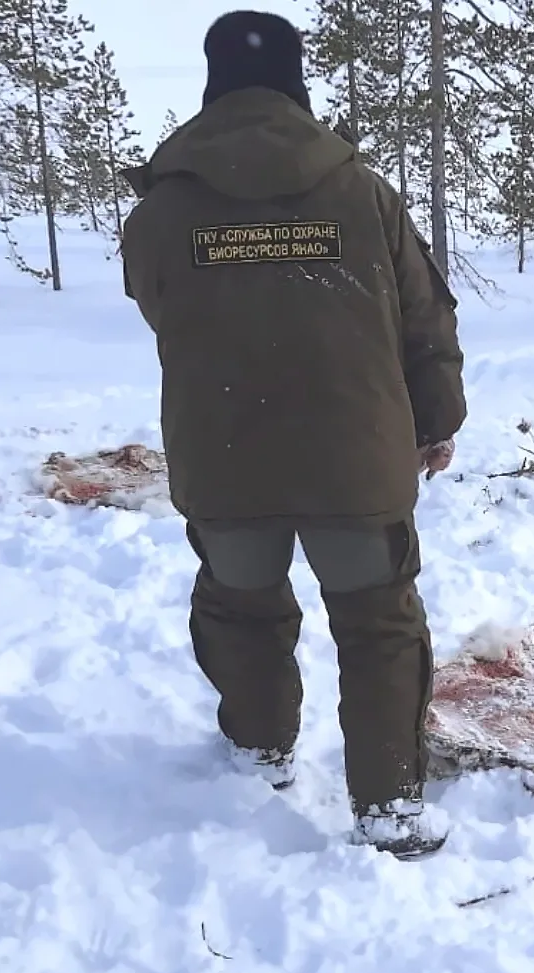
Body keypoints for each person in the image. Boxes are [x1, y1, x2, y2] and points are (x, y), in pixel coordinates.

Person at [119, 9, 466, 859]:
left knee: (242, 611)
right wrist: (437, 419)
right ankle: (389, 807)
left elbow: (155, 302)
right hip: (357, 460)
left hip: (227, 458)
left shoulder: (166, 204)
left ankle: (258, 751)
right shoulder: (361, 190)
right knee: (379, 625)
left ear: (213, 83)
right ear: (295, 82)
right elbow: (425, 318)